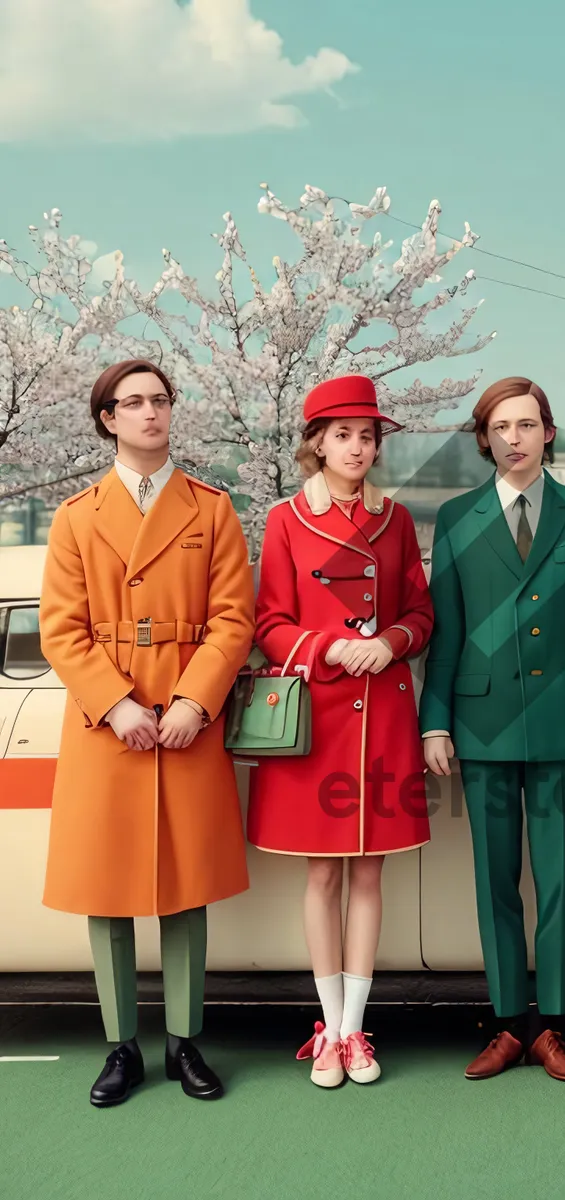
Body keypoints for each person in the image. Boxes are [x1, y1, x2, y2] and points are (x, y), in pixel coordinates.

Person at [39, 359, 255, 1108]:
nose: (149, 413)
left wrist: (195, 701)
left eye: (159, 400)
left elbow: (234, 620)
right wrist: (117, 704)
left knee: (186, 888)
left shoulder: (212, 508)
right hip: (110, 727)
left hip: (186, 722)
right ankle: (120, 1047)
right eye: (132, 403)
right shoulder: (76, 515)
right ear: (108, 419)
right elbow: (61, 631)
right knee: (109, 892)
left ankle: (186, 1042)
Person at [420, 376, 565, 1083]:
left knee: (561, 880)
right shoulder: (456, 517)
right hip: (480, 726)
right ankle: (509, 1023)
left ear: (548, 432)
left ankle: (556, 1028)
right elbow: (444, 628)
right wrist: (435, 723)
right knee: (493, 879)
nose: (514, 437)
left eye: (527, 424)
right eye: (502, 426)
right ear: (485, 437)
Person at [247, 374, 434, 1089]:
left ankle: (355, 1031)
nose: (358, 447)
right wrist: (326, 647)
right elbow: (269, 624)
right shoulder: (286, 518)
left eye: (368, 435)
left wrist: (390, 641)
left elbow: (421, 611)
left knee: (371, 872)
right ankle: (328, 1029)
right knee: (322, 872)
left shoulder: (399, 519)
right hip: (317, 719)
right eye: (343, 434)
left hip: (383, 714)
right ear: (316, 442)